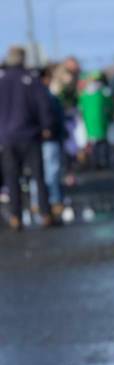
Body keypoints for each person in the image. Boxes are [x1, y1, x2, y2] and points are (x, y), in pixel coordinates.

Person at [0, 45, 55, 230]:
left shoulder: (2, 80)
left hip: (7, 137)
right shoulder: (31, 79)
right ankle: (45, 212)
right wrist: (47, 126)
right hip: (30, 135)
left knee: (12, 177)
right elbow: (43, 103)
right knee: (38, 176)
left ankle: (16, 216)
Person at [38, 67, 67, 222]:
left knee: (44, 172)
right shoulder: (45, 96)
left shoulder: (44, 95)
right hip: (49, 139)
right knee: (51, 171)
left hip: (47, 138)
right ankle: (54, 200)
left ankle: (43, 201)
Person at [78, 71, 113, 169]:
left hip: (89, 124)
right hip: (102, 122)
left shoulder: (84, 94)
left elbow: (81, 108)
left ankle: (94, 163)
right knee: (102, 143)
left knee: (93, 144)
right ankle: (104, 162)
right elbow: (110, 106)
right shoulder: (103, 93)